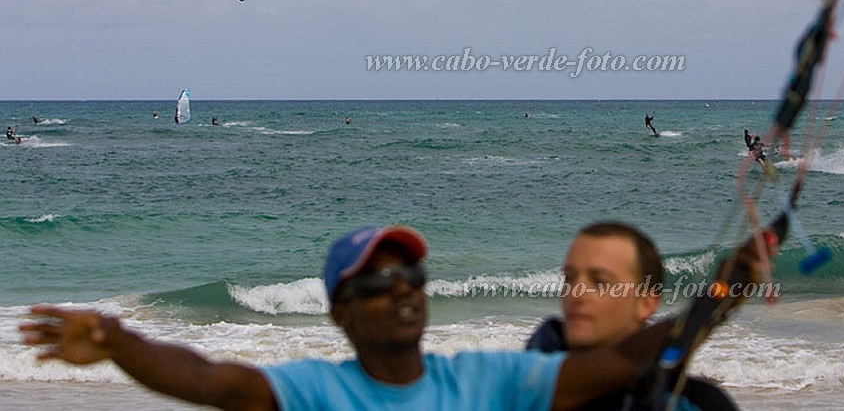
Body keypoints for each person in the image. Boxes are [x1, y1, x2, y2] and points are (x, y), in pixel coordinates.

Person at [20, 224, 706, 410]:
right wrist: (118, 340)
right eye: (378, 282)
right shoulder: (317, 393)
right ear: (341, 314)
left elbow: (621, 360)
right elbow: (208, 381)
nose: (402, 290)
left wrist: (718, 298)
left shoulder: (494, 380)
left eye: (411, 275)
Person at [527, 222, 738, 410]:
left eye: (600, 282)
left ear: (646, 303)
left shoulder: (699, 403)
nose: (576, 293)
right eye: (570, 278)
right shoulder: (518, 382)